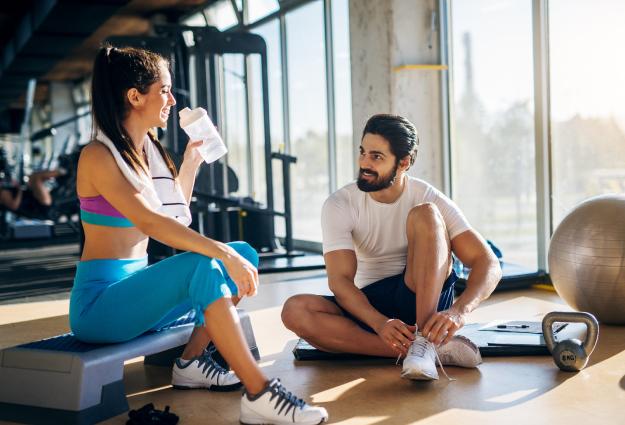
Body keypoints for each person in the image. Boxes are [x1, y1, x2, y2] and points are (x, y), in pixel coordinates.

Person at [71, 44, 328, 424]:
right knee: (208, 263)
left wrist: (190, 162)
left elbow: (172, 213)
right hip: (100, 307)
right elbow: (153, 224)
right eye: (165, 90)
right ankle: (260, 393)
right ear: (135, 96)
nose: (173, 100)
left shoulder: (145, 152)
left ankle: (190, 363)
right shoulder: (99, 155)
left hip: (135, 293)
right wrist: (223, 254)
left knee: (246, 252)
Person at [282, 114, 502, 381]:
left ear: (404, 162)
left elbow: (487, 262)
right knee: (295, 311)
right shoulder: (340, 203)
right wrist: (378, 323)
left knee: (426, 215)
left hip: (423, 300)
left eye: (376, 157)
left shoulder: (427, 196)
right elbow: (339, 281)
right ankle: (429, 351)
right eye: (363, 152)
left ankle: (425, 340)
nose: (364, 163)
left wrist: (458, 312)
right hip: (372, 306)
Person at [0, 169, 65, 218]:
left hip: (36, 200)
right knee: (36, 177)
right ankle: (64, 171)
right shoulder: (2, 193)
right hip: (40, 206)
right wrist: (19, 189)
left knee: (32, 178)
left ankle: (61, 173)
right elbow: (14, 206)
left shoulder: (4, 189)